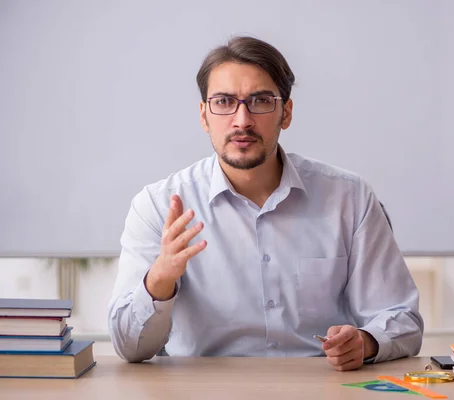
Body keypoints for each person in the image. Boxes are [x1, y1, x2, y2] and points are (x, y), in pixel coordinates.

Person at [108, 36, 423, 371]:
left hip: (321, 389)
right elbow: (129, 347)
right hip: (205, 391)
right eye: (224, 102)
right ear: (204, 115)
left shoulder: (349, 197)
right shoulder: (158, 206)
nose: (242, 120)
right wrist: (159, 280)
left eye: (260, 101)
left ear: (285, 113)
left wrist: (365, 342)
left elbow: (402, 319)